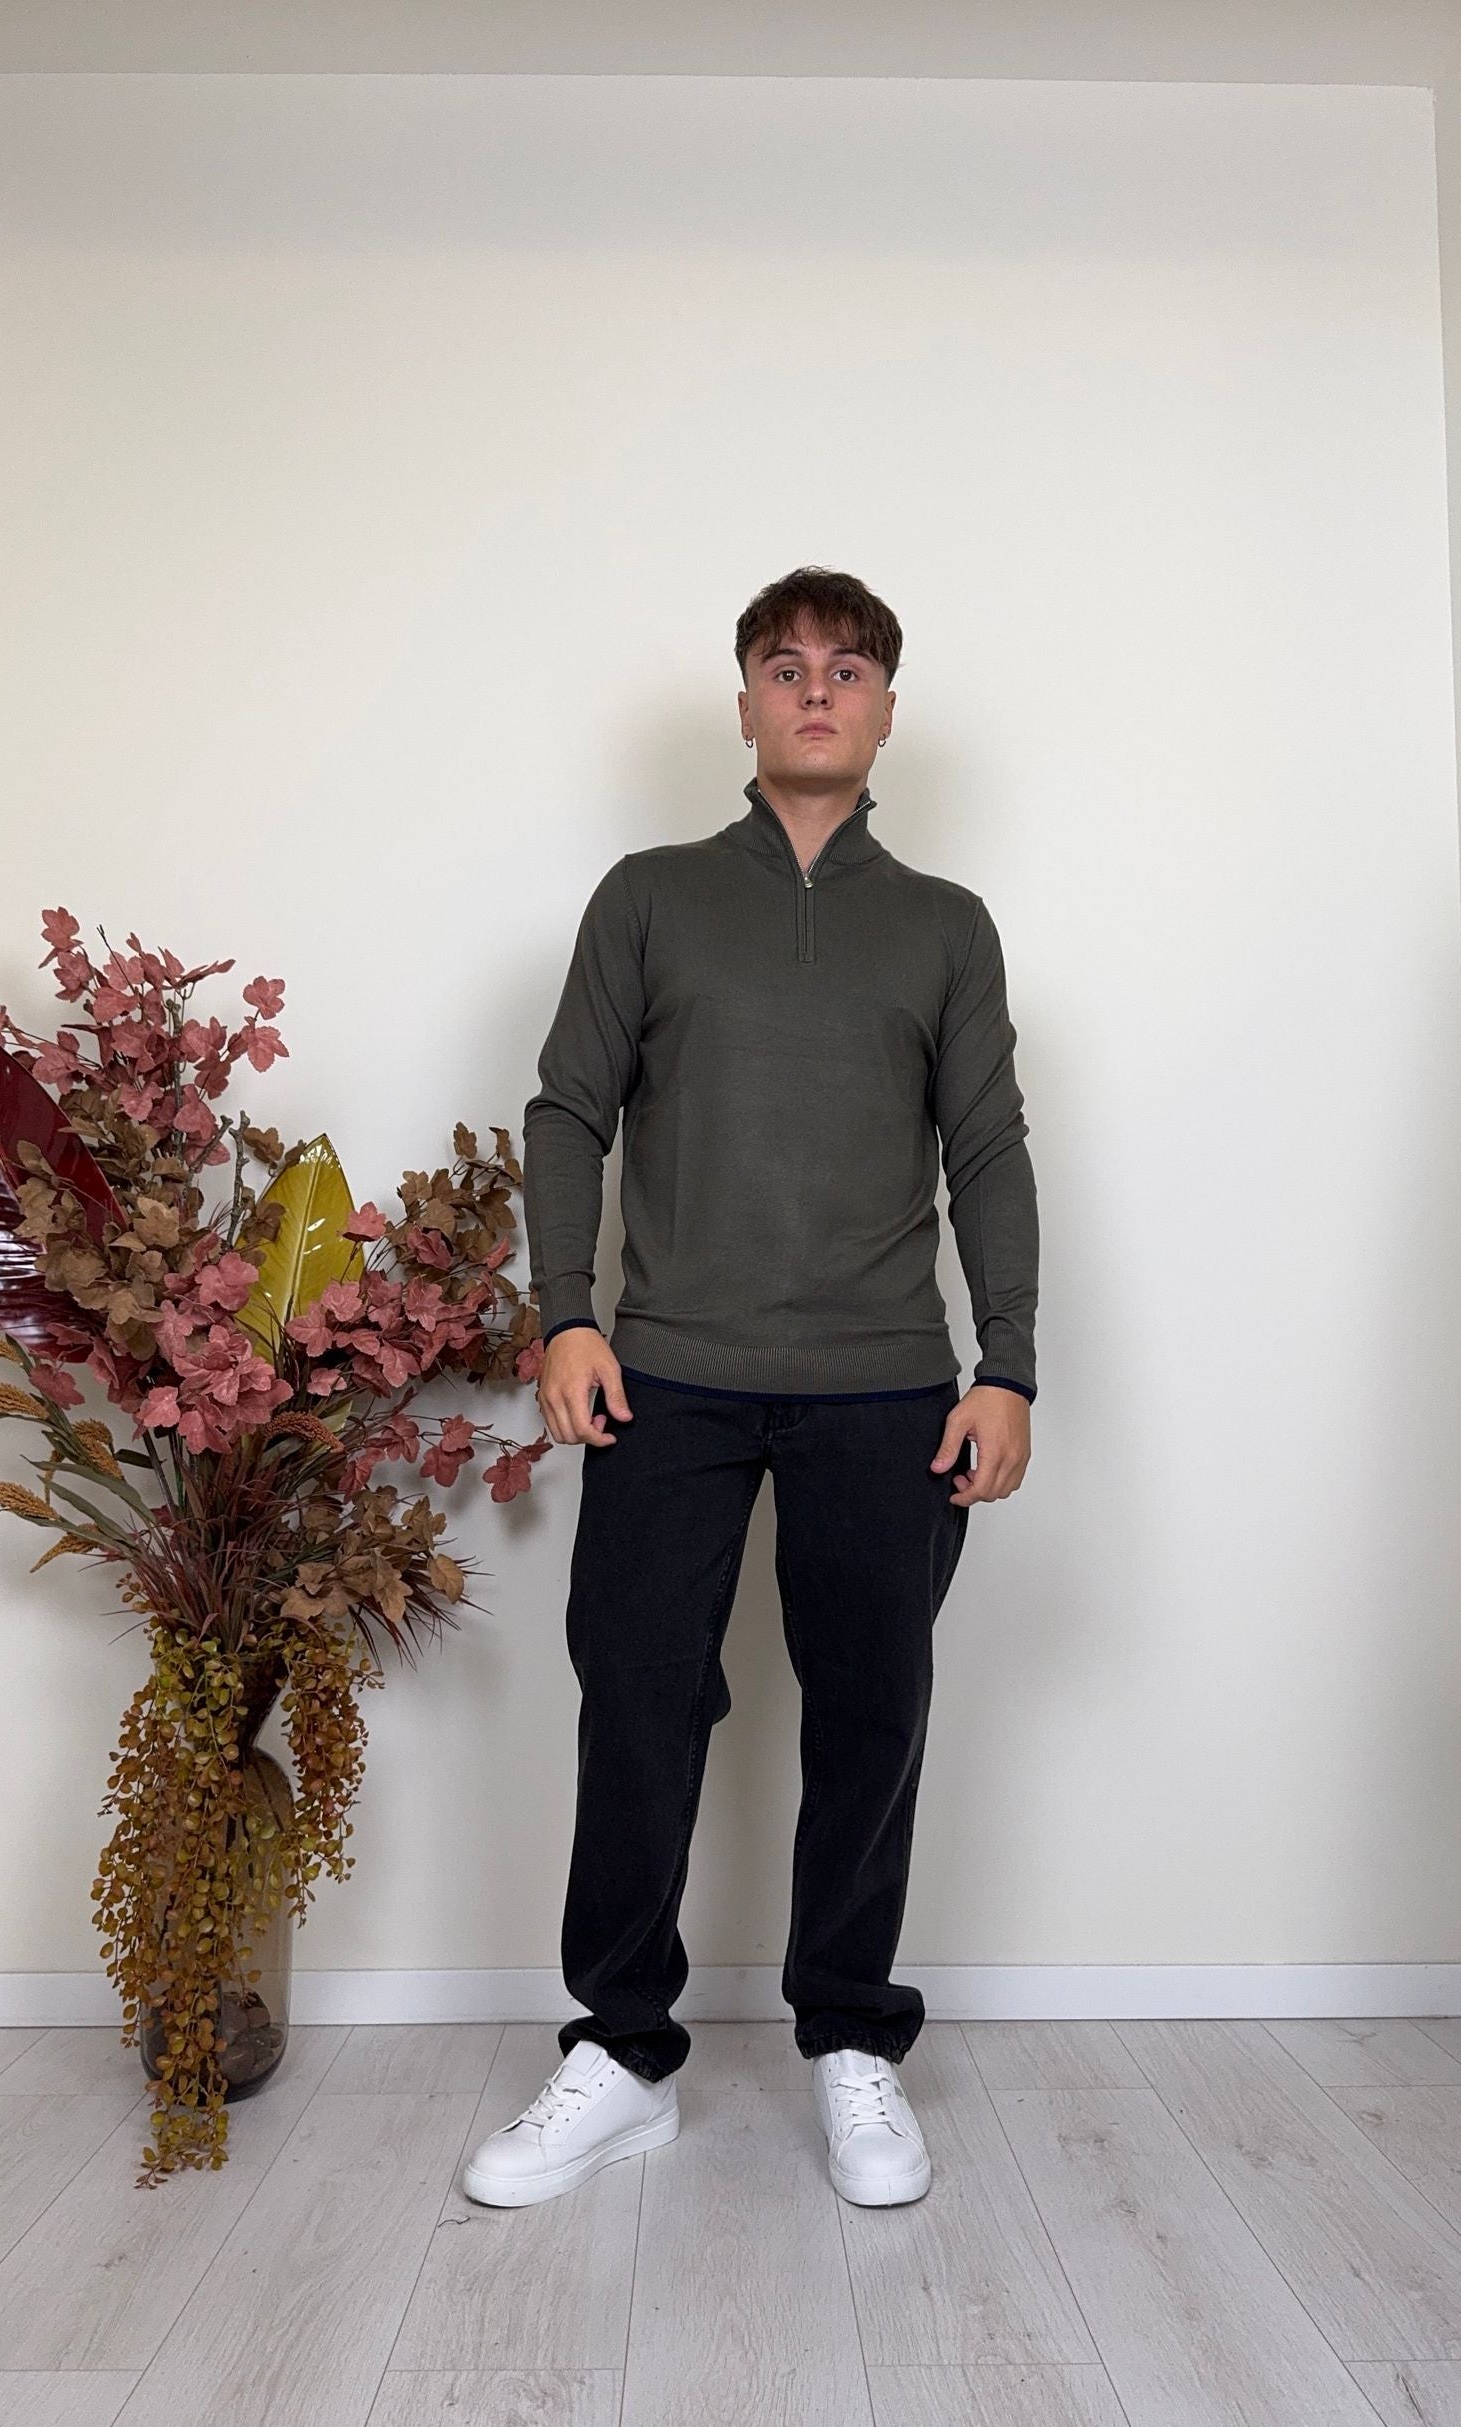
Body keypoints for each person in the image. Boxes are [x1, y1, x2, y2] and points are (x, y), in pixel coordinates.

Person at [463, 565, 1038, 2212]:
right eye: (785, 667)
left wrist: (1009, 1364)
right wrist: (565, 1317)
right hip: (667, 1376)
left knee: (873, 1713)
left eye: (847, 670)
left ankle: (850, 2035)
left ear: (884, 711)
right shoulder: (649, 898)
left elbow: (989, 1148)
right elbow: (568, 1111)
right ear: (743, 703)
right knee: (639, 1700)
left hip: (888, 1383)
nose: (815, 691)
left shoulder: (945, 924)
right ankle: (623, 2053)